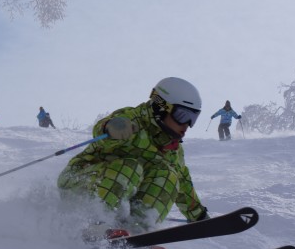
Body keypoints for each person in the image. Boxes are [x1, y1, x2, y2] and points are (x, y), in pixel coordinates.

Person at [57, 77, 209, 229]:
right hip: (78, 182)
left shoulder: (172, 150)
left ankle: (138, 233)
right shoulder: (134, 120)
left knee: (169, 177)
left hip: (117, 197)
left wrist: (200, 217)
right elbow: (100, 132)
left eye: (193, 118)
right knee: (130, 167)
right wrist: (111, 128)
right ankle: (97, 224)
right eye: (182, 116)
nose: (187, 125)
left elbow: (183, 185)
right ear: (161, 107)